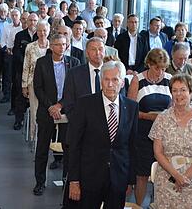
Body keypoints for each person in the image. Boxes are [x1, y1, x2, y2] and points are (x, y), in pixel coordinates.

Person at [66, 60, 138, 208]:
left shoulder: (131, 107)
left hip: (118, 179)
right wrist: (73, 180)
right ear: (101, 82)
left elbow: (131, 146)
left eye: (115, 80)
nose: (110, 84)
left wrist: (130, 180)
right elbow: (74, 144)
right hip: (89, 178)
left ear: (123, 83)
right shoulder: (85, 104)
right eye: (106, 79)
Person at [148, 74, 192, 208]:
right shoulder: (162, 118)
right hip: (166, 179)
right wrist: (176, 175)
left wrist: (185, 177)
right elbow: (158, 152)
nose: (179, 94)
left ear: (191, 92)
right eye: (175, 90)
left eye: (183, 90)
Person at [32, 34, 81, 196]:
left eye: (64, 44)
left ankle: (67, 180)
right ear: (51, 46)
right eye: (58, 45)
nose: (61, 47)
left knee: (69, 148)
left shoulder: (74, 63)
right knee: (42, 149)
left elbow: (75, 90)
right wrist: (51, 107)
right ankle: (40, 182)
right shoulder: (42, 63)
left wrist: (61, 105)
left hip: (68, 111)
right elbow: (38, 88)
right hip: (47, 111)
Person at [127, 48, 172, 205]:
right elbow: (130, 109)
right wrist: (149, 116)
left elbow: (174, 108)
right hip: (143, 132)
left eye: (163, 68)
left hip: (165, 134)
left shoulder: (169, 79)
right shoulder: (137, 80)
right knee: (142, 174)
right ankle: (139, 205)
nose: (160, 72)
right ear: (149, 64)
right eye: (157, 67)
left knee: (163, 173)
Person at [62, 37, 107, 114]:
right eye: (93, 49)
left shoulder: (112, 72)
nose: (97, 53)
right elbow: (68, 102)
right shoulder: (74, 74)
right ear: (86, 53)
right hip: (82, 122)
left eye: (100, 49)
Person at [22, 20, 51, 140]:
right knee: (35, 111)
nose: (42, 33)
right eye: (39, 30)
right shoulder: (30, 47)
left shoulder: (53, 46)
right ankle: (35, 137)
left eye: (44, 30)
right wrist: (24, 85)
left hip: (50, 84)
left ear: (48, 31)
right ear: (36, 32)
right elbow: (26, 66)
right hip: (33, 83)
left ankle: (49, 137)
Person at [11, 14, 40, 130]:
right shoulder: (20, 35)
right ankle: (19, 120)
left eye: (35, 20)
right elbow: (16, 52)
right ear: (27, 22)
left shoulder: (40, 35)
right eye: (30, 20)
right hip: (22, 70)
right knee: (20, 96)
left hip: (38, 71)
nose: (32, 22)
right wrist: (27, 63)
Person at [166, 43, 192, 110]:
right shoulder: (164, 69)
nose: (183, 62)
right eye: (180, 58)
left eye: (185, 58)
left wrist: (191, 106)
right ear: (172, 55)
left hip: (189, 108)